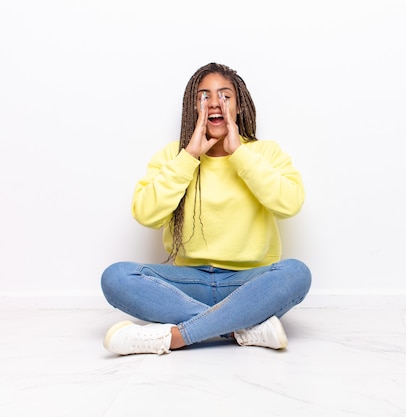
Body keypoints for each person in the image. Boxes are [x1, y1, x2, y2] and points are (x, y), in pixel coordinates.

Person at [100, 62, 312, 355]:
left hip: (248, 284)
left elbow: (290, 204)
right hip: (189, 282)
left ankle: (176, 337)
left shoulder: (265, 152)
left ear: (239, 107)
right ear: (194, 107)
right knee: (115, 277)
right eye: (204, 96)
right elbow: (145, 214)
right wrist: (190, 156)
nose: (215, 103)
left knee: (296, 274)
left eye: (225, 96)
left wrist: (240, 153)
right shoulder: (174, 156)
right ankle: (240, 327)